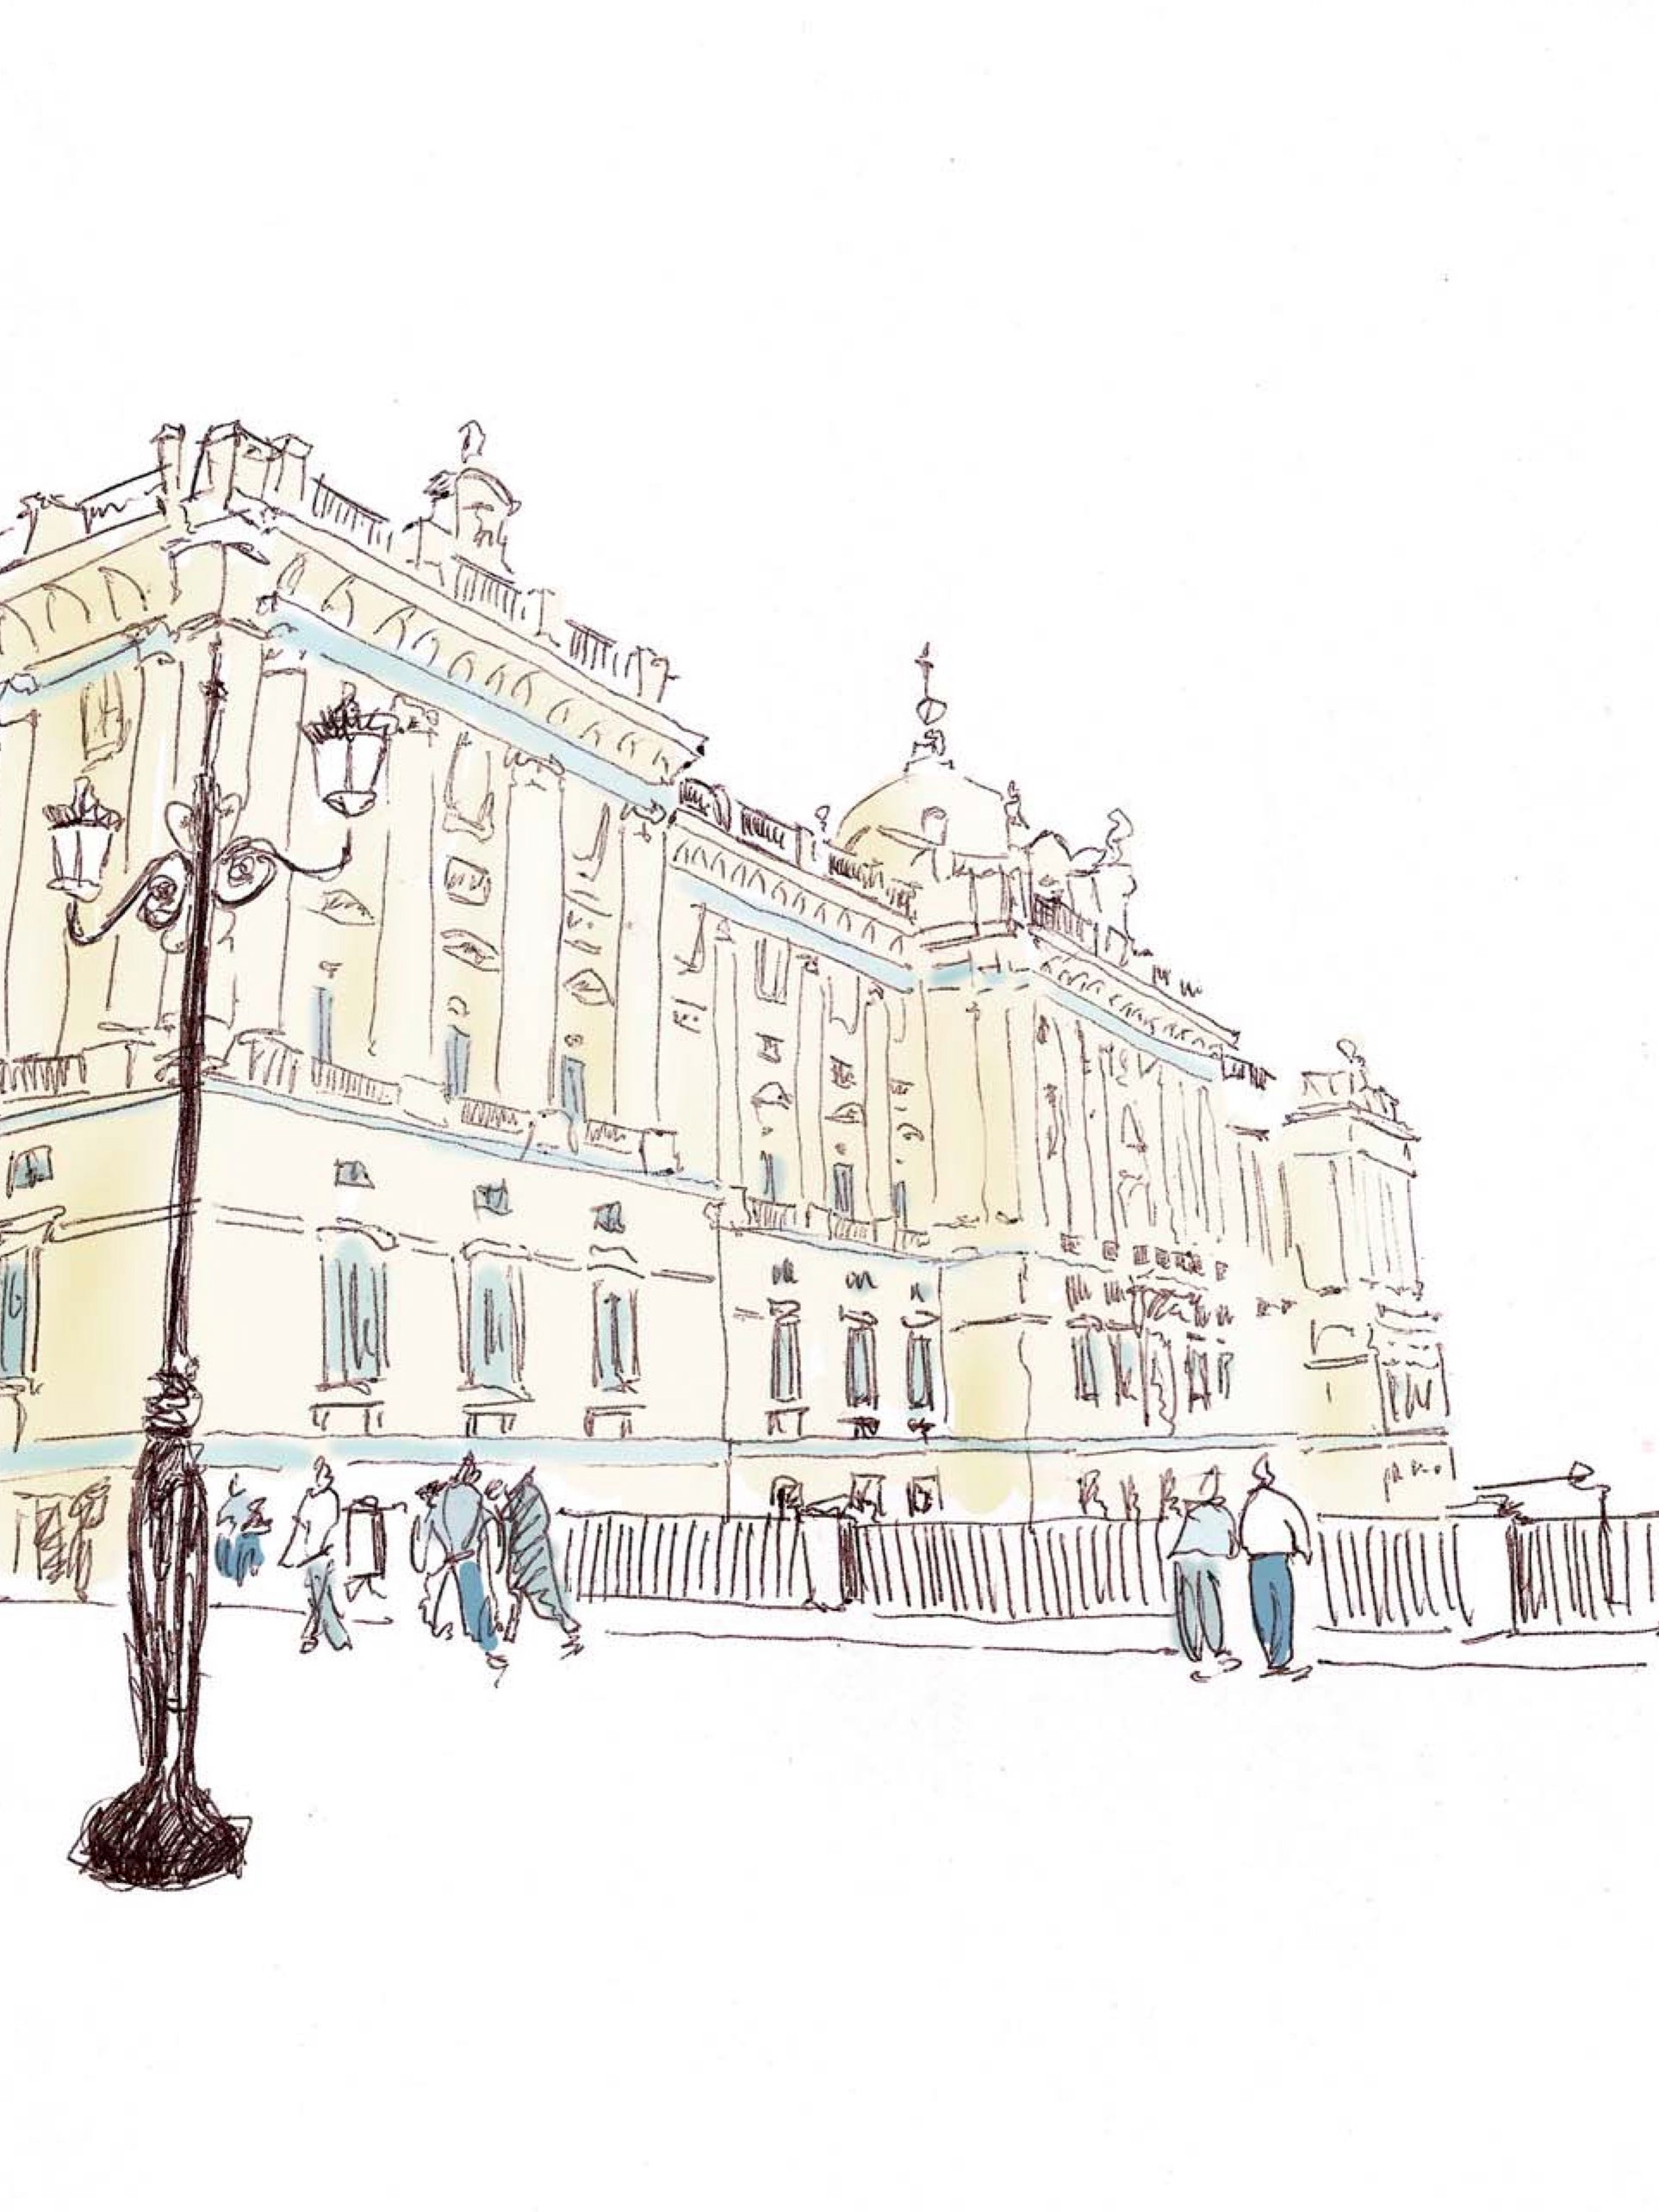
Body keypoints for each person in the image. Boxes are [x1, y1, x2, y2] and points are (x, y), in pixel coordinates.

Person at [1162, 1467, 1242, 1682]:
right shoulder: (1223, 1514)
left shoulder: (1190, 1513)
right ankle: (1217, 1649)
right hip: (1209, 1559)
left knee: (1188, 1603)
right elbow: (1234, 1545)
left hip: (1184, 1558)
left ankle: (1194, 1650)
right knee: (1209, 1603)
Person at [1240, 1455, 1313, 1679]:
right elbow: (1298, 1526)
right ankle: (1279, 1657)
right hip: (1275, 1560)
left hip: (1258, 1561)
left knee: (1265, 1612)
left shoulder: (1252, 1504)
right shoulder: (1279, 1501)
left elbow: (1243, 1536)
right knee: (1280, 1609)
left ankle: (1274, 1655)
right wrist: (1304, 1549)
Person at [432, 1455, 506, 1672]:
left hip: (453, 1556)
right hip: (467, 1557)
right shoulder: (470, 1495)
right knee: (478, 1602)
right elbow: (484, 1519)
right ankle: (489, 1648)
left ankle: (449, 1630)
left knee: (458, 1599)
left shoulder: (445, 1496)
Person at [497, 1469, 583, 1656]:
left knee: (541, 1593)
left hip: (528, 1552)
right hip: (522, 1553)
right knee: (524, 1595)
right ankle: (511, 1635)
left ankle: (567, 1632)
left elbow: (530, 1526)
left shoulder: (528, 1497)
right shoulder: (520, 1498)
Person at [279, 1458, 351, 1656]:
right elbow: (302, 1523)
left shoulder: (328, 1498)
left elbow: (324, 1526)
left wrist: (314, 1548)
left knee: (320, 1598)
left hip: (320, 1554)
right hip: (312, 1555)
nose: (327, 1479)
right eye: (323, 1475)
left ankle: (318, 1636)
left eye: (326, 1476)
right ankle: (335, 1637)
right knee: (320, 1597)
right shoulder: (312, 1497)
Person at [214, 1474, 270, 1588]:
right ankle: (247, 1570)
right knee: (248, 1540)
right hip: (228, 1548)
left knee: (250, 1540)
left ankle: (249, 1570)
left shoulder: (250, 1532)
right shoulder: (237, 1506)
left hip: (235, 1546)